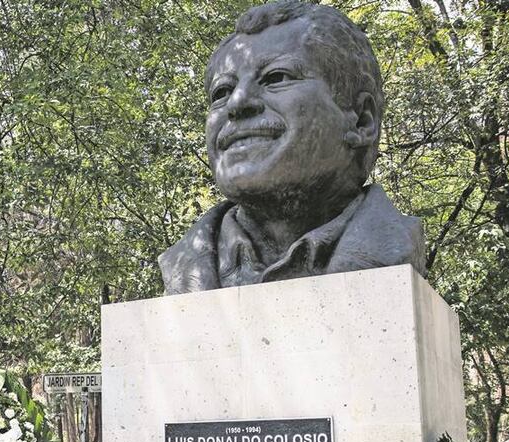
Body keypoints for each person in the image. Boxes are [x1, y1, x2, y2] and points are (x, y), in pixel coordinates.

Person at [158, 0, 425, 294]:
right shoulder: (184, 268)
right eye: (222, 92)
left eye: (276, 77)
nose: (236, 103)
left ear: (362, 120)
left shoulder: (392, 258)